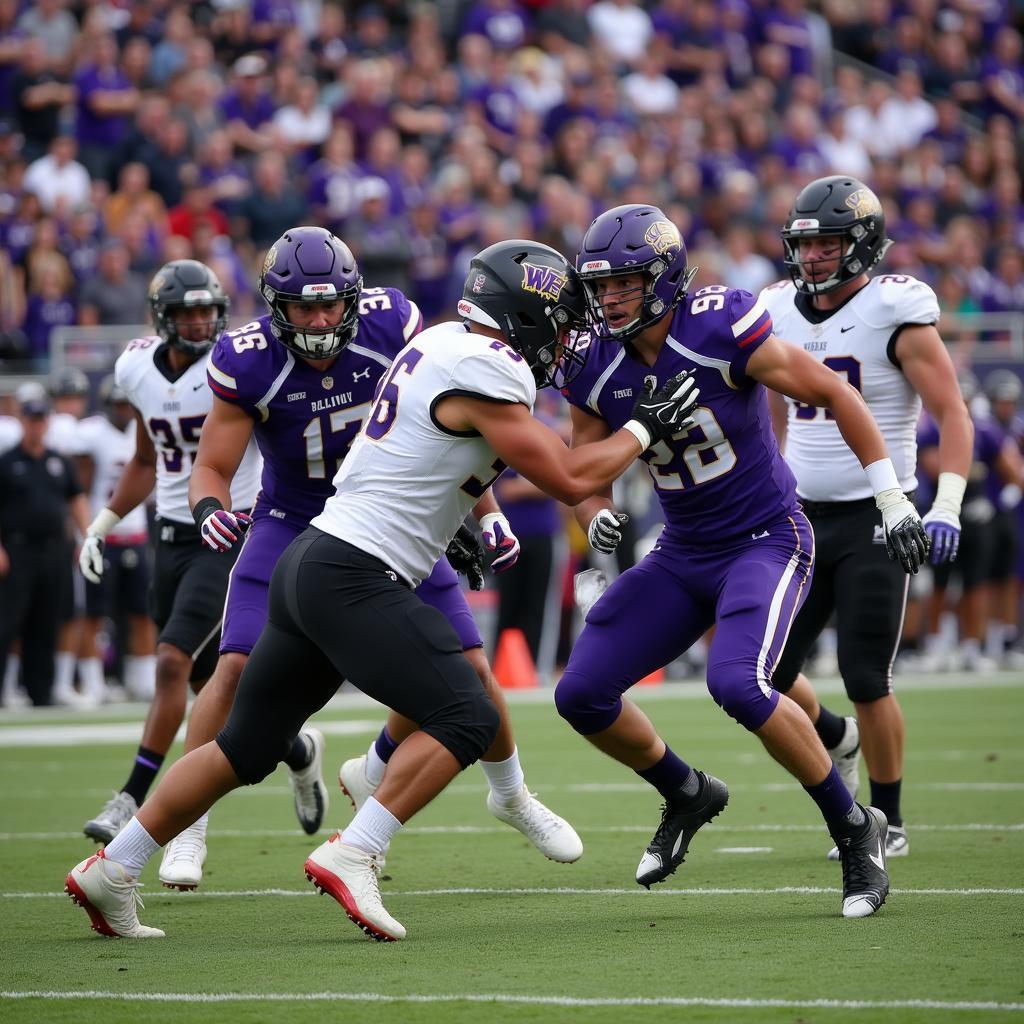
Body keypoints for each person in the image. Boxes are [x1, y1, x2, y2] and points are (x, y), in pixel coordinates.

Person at [64, 238, 700, 941]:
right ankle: (356, 850)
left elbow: (425, 458)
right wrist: (644, 426)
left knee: (243, 746)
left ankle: (112, 868)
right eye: (559, 316)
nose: (569, 333)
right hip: (355, 574)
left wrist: (459, 518)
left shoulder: (441, 343)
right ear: (524, 316)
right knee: (467, 715)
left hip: (312, 562)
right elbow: (572, 477)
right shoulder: (485, 367)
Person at [164, 225, 580, 890]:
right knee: (236, 667)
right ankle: (189, 828)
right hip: (294, 519)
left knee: (469, 667)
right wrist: (211, 508)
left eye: (332, 304)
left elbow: (450, 433)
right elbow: (212, 465)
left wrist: (488, 512)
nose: (322, 319)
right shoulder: (250, 360)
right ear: (276, 307)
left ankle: (512, 794)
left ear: (356, 298)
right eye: (304, 306)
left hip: (393, 519)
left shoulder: (392, 327)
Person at [557, 203, 928, 919]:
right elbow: (584, 465)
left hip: (766, 536)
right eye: (599, 288)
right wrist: (594, 513)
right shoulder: (596, 363)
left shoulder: (718, 323)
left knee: (740, 683)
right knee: (580, 693)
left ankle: (857, 829)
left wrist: (889, 493)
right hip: (681, 550)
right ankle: (687, 793)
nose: (607, 301)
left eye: (623, 286)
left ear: (662, 279)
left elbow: (832, 390)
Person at [762, 175, 974, 861]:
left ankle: (889, 817)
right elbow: (769, 419)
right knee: (762, 671)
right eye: (805, 243)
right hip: (797, 515)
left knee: (864, 672)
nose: (814, 255)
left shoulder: (895, 308)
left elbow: (953, 414)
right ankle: (835, 735)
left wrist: (944, 505)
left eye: (826, 242)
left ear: (861, 244)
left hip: (880, 519)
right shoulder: (774, 309)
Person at [77, 260, 261, 849]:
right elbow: (144, 459)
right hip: (169, 530)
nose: (202, 321)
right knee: (208, 681)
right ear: (163, 318)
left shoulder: (236, 363)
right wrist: (102, 524)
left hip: (228, 526)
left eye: (209, 310)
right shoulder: (136, 367)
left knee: (170, 662)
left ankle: (135, 797)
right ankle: (296, 747)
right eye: (189, 312)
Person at [0, 387, 91, 706]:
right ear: (22, 421)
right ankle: (6, 687)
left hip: (55, 549)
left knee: (48, 618)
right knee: (10, 619)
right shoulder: (7, 462)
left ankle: (42, 690)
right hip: (17, 549)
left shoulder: (59, 462)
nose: (36, 425)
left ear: (47, 423)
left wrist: (87, 537)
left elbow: (76, 498)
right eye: (31, 419)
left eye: (41, 420)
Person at [72, 374, 157, 705]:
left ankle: (143, 680)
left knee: (142, 612)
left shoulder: (144, 430)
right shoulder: (91, 434)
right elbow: (79, 485)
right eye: (118, 405)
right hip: (103, 535)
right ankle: (93, 684)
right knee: (94, 612)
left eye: (127, 405)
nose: (123, 411)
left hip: (136, 533)